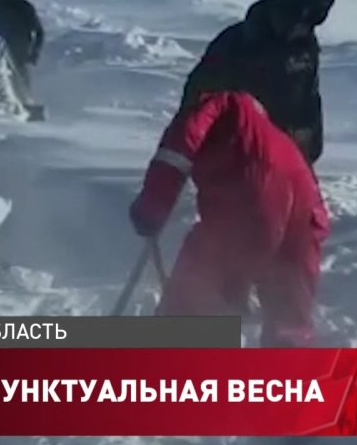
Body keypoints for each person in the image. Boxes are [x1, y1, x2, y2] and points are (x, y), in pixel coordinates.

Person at [128, 90, 329, 347]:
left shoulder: (220, 105)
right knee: (289, 322)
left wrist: (152, 206)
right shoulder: (276, 138)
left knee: (193, 290)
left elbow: (177, 151)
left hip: (252, 197)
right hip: (306, 216)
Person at [179, 0, 334, 167]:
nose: (306, 31)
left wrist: (311, 145)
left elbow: (308, 98)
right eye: (303, 24)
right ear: (289, 16)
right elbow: (199, 94)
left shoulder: (304, 47)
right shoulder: (236, 44)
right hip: (234, 154)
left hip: (284, 153)